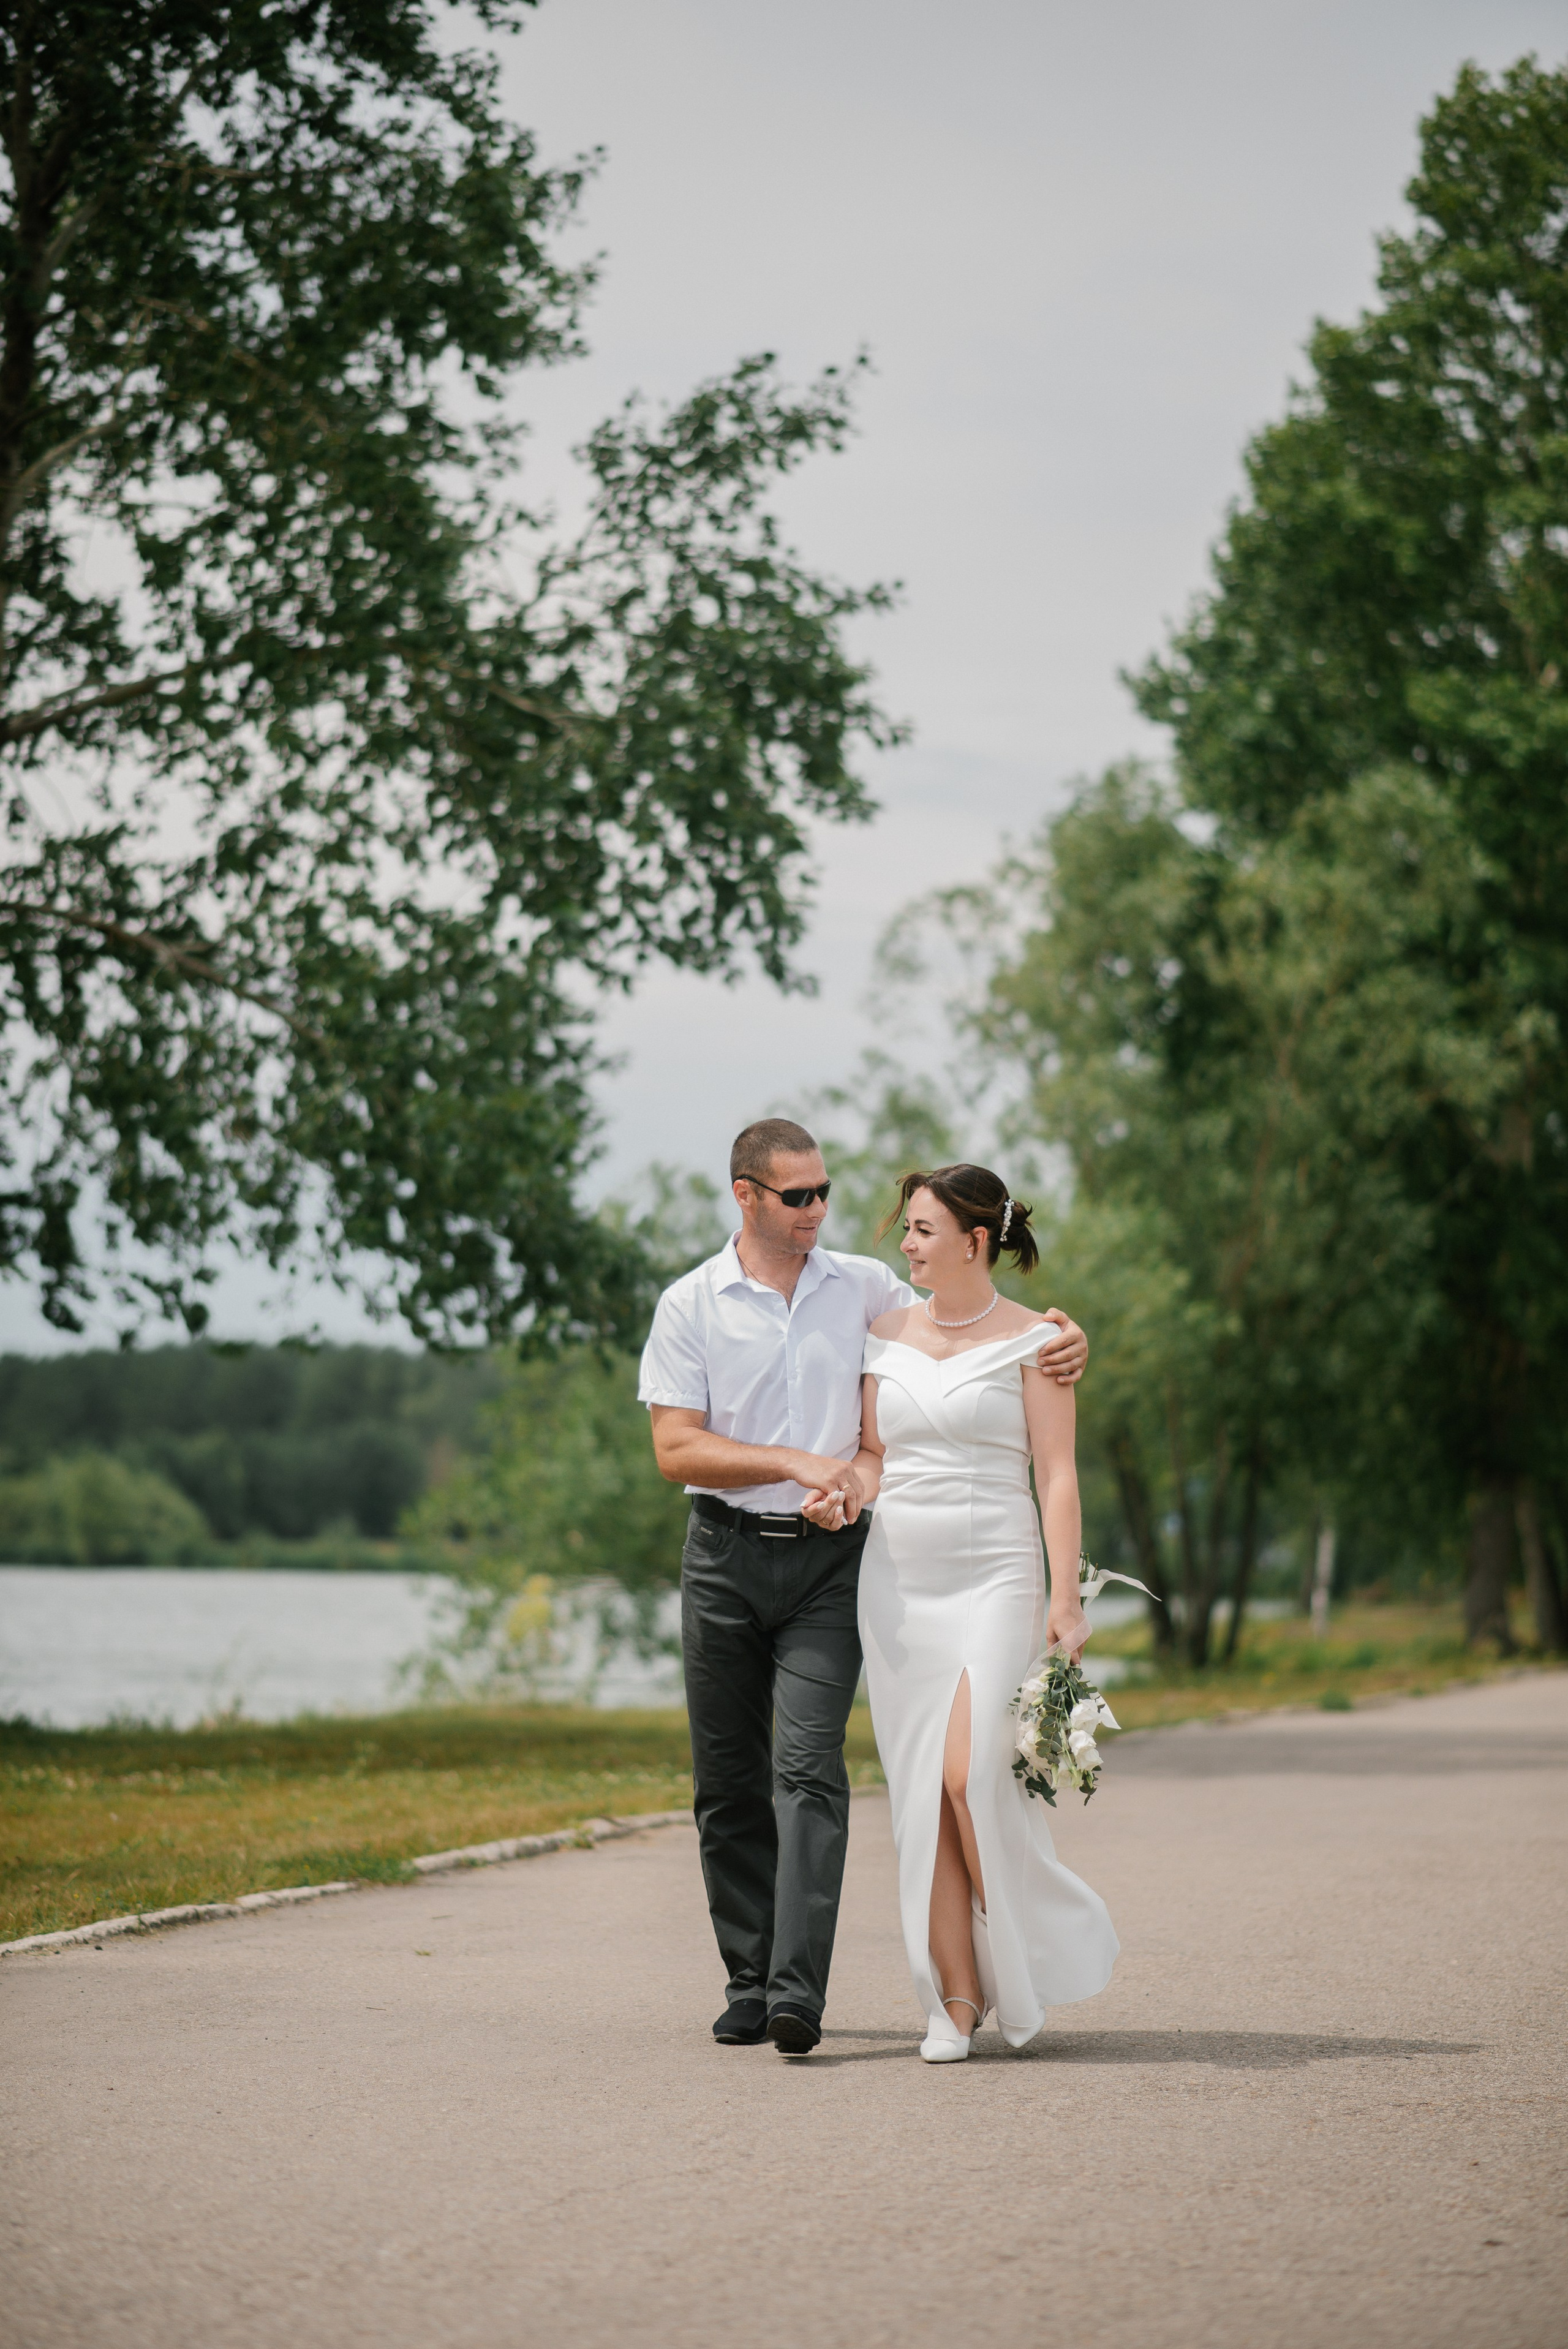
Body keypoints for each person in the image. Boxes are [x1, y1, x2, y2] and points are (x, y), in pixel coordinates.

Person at [639, 1118, 1088, 2057]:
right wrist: (816, 1471)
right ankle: (761, 1981)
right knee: (732, 1782)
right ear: (746, 1196)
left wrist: (1067, 1335)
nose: (821, 1211)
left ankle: (802, 1994)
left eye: (824, 1193)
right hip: (734, 1556)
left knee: (825, 1770)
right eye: (797, 1196)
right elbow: (677, 1448)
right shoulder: (692, 1305)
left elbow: (975, 1321)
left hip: (844, 1571)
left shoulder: (867, 1292)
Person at [831, 1162, 1118, 2062]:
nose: (906, 1244)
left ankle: (1029, 1953)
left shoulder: (1040, 1341)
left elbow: (1057, 1474)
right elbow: (874, 1452)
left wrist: (1065, 1599)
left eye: (921, 1229)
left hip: (997, 1577)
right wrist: (845, 1489)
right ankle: (952, 2000)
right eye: (907, 1228)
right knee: (922, 1799)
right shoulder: (881, 1334)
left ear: (975, 1241)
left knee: (969, 1780)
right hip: (900, 1589)